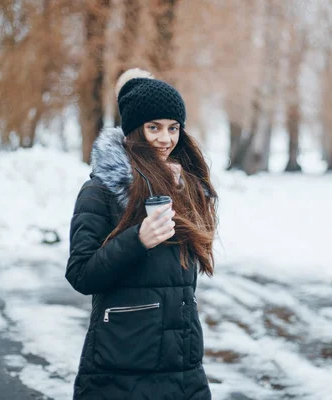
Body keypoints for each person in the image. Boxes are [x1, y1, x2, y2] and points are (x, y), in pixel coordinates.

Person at [65, 68, 218, 400]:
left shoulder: (184, 185)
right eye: (154, 128)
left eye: (173, 128)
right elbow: (80, 274)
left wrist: (185, 193)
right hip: (122, 365)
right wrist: (137, 240)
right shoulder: (99, 191)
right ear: (135, 131)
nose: (166, 139)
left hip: (182, 362)